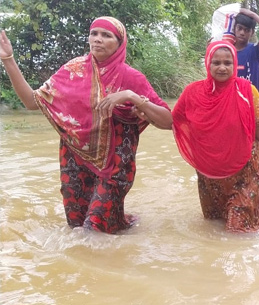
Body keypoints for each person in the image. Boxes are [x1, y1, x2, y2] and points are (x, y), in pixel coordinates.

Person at [0, 17, 173, 234]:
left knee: (94, 230)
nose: (97, 39)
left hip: (116, 166)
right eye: (94, 33)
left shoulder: (131, 78)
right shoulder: (73, 70)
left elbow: (168, 121)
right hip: (74, 160)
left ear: (120, 43)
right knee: (76, 226)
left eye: (106, 35)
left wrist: (132, 97)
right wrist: (8, 59)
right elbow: (31, 101)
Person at [172, 40, 259, 233]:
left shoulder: (247, 92)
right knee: (213, 226)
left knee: (240, 231)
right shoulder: (193, 93)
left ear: (235, 65)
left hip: (245, 171)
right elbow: (174, 121)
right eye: (216, 62)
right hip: (209, 174)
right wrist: (141, 106)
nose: (222, 68)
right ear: (207, 64)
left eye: (228, 63)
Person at [223, 7, 259, 92]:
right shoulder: (227, 51)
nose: (242, 33)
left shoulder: (254, 50)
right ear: (234, 29)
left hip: (251, 100)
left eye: (247, 30)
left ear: (252, 32)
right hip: (232, 99)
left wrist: (253, 15)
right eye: (239, 28)